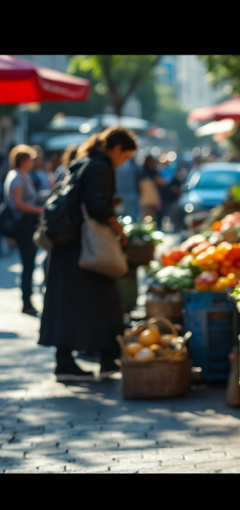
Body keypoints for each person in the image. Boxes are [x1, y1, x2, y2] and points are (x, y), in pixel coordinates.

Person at [39, 126, 138, 382]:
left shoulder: (82, 162)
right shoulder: (101, 166)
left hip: (68, 245)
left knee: (70, 304)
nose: (122, 162)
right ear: (116, 149)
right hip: (86, 247)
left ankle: (69, 361)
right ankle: (104, 359)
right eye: (124, 156)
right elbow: (95, 205)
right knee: (105, 302)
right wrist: (117, 226)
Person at [3, 145, 44, 315]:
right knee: (28, 265)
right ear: (24, 160)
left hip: (26, 224)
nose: (33, 162)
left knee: (29, 264)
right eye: (31, 159)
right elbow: (19, 204)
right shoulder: (17, 178)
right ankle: (26, 301)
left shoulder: (22, 176)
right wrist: (39, 210)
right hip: (23, 226)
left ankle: (27, 300)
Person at [114, 154, 142, 224]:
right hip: (132, 195)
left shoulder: (117, 167)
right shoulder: (134, 167)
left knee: (120, 219)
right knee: (133, 219)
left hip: (120, 196)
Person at [139, 156, 163, 221]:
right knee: (150, 217)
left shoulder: (143, 172)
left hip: (148, 199)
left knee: (149, 217)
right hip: (149, 199)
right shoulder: (152, 173)